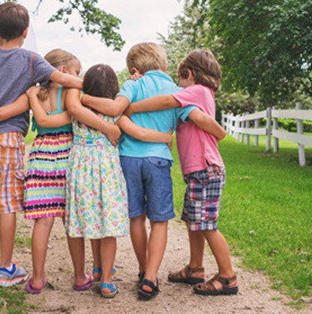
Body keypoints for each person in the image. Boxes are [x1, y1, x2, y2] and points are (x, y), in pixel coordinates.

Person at [81, 42, 226, 300]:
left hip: (128, 159)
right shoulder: (178, 90)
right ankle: (150, 275)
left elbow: (116, 112)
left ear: (135, 69)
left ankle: (141, 267)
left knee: (136, 216)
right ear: (165, 64)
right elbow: (193, 117)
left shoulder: (132, 85)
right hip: (158, 160)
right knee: (159, 220)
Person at [0, 2, 82, 287]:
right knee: (6, 204)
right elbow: (63, 79)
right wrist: (93, 84)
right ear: (26, 32)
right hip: (10, 140)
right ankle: (5, 269)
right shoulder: (30, 59)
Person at [127, 49, 238, 296]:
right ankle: (195, 268)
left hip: (206, 168)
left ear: (188, 74)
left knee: (207, 224)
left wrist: (132, 108)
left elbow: (167, 101)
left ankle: (228, 275)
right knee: (194, 222)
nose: (177, 86)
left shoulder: (196, 92)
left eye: (180, 80)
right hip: (198, 171)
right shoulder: (201, 94)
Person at [63, 64, 173, 299]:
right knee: (107, 227)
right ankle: (106, 281)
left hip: (81, 172)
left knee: (89, 220)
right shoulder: (115, 116)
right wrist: (165, 137)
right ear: (114, 89)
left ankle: (94, 267)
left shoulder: (78, 111)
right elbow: (140, 134)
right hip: (107, 175)